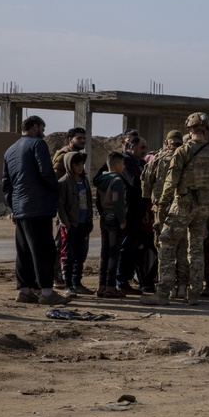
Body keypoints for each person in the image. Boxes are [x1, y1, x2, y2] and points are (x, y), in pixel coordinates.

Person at [142, 112, 209, 306]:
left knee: (166, 243)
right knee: (196, 249)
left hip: (184, 204)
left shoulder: (183, 151)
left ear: (189, 129)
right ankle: (194, 293)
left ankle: (163, 292)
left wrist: (162, 204)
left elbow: (171, 182)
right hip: (204, 206)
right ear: (207, 130)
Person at [2, 115, 70, 306]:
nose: (44, 132)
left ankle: (25, 290)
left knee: (24, 251)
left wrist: (13, 207)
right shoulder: (37, 145)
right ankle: (47, 293)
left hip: (21, 208)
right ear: (34, 127)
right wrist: (55, 191)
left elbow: (6, 184)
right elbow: (45, 172)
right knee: (44, 250)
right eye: (42, 127)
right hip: (38, 206)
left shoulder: (10, 150)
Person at [141, 130, 187, 298]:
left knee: (164, 249)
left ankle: (167, 287)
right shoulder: (186, 159)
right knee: (182, 249)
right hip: (181, 208)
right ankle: (182, 286)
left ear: (167, 143)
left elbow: (146, 183)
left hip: (161, 209)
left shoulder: (157, 160)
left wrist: (151, 200)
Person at [51, 126, 87, 288]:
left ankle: (71, 279)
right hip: (65, 210)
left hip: (76, 211)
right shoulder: (64, 158)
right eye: (78, 138)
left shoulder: (78, 157)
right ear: (70, 139)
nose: (82, 141)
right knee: (61, 245)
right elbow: (57, 184)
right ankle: (56, 276)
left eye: (84, 138)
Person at [57, 151, 94, 295]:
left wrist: (90, 221)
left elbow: (89, 202)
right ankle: (68, 286)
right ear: (69, 165)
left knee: (81, 255)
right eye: (76, 164)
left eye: (81, 164)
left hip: (84, 223)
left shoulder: (84, 181)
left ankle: (77, 283)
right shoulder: (63, 182)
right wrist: (65, 223)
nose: (79, 167)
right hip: (71, 225)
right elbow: (60, 206)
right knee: (68, 256)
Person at [116, 135, 148, 295]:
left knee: (131, 247)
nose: (144, 151)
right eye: (142, 148)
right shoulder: (126, 161)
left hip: (136, 212)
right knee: (125, 247)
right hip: (129, 212)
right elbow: (134, 181)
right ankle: (120, 281)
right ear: (132, 147)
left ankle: (125, 280)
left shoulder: (137, 162)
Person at [93, 152, 127, 298]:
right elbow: (117, 202)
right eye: (123, 164)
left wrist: (102, 214)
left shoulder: (102, 180)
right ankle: (111, 287)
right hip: (114, 218)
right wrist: (122, 220)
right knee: (114, 254)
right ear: (117, 165)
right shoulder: (117, 181)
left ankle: (102, 286)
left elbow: (98, 202)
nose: (124, 167)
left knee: (104, 253)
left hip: (104, 217)